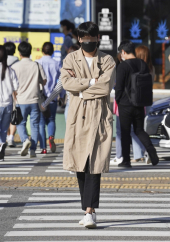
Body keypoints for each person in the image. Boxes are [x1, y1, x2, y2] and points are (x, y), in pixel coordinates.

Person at [61, 21, 116, 229]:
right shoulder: (70, 58)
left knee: (95, 165)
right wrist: (93, 82)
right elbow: (67, 83)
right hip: (77, 116)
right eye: (83, 40)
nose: (87, 43)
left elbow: (106, 86)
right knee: (80, 165)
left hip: (99, 116)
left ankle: (90, 211)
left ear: (97, 39)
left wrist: (83, 89)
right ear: (79, 39)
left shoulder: (107, 60)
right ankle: (87, 209)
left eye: (91, 40)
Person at [115, 40, 159, 168]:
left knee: (125, 132)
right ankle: (151, 151)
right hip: (140, 103)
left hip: (125, 104)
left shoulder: (122, 66)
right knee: (139, 130)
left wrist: (118, 100)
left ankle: (126, 160)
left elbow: (119, 87)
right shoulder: (143, 64)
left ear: (123, 52)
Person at [11, 41, 47, 158]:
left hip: (20, 100)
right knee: (35, 124)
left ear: (19, 53)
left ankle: (25, 140)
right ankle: (32, 150)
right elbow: (44, 81)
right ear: (30, 52)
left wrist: (15, 97)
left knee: (20, 123)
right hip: (35, 100)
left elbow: (12, 85)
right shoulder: (36, 65)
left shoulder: (15, 67)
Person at [40, 44, 80, 121]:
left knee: (70, 131)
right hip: (85, 106)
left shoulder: (66, 70)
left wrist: (45, 103)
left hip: (71, 105)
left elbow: (57, 89)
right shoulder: (86, 69)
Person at [36, 42, 61, 154]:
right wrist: (63, 95)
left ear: (42, 50)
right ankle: (51, 137)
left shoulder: (37, 62)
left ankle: (43, 147)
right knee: (51, 119)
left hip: (40, 96)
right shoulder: (57, 63)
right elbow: (62, 80)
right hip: (53, 96)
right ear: (52, 51)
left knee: (41, 122)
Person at [0, 45, 18, 160]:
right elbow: (16, 87)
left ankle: (1, 145)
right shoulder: (10, 70)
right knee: (4, 128)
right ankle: (1, 145)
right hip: (8, 104)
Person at [4, 42, 19, 147]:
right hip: (14, 93)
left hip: (2, 94)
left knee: (4, 118)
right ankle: (11, 138)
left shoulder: (2, 62)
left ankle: (5, 136)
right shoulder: (18, 62)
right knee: (13, 116)